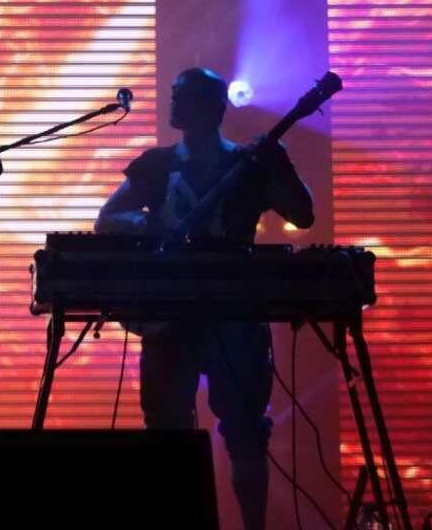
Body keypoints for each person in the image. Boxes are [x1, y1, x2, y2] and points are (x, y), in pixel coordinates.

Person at [95, 67, 314, 530]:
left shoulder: (247, 164)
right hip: (169, 312)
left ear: (214, 106)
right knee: (166, 426)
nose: (173, 102)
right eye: (174, 94)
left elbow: (303, 214)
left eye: (185, 95)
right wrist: (153, 225)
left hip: (235, 312)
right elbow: (108, 218)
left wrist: (279, 162)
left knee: (247, 431)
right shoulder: (157, 165)